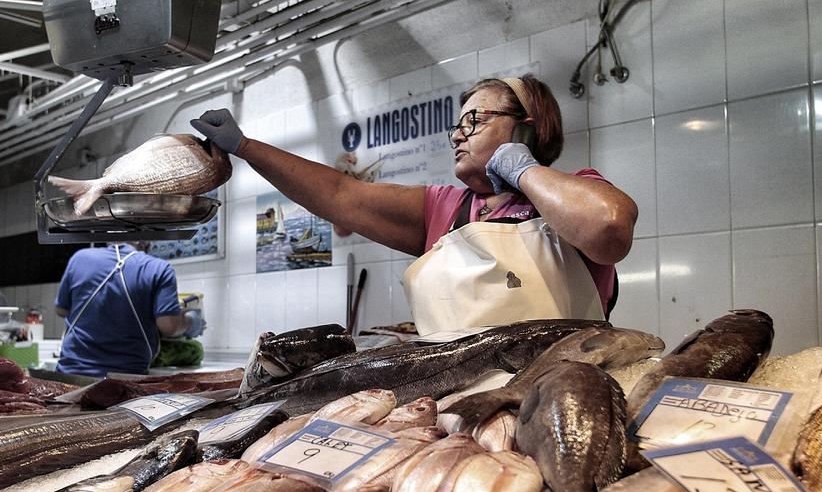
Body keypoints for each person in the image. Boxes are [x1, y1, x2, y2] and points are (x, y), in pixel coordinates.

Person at [192, 74, 637, 335]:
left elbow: (608, 228)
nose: (458, 135)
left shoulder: (577, 189)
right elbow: (339, 196)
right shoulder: (446, 208)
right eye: (456, 126)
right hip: (457, 411)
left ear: (526, 128)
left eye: (474, 121)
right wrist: (247, 147)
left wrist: (522, 169)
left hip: (557, 403)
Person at [54, 241, 205, 376]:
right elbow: (169, 326)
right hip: (124, 380)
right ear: (145, 241)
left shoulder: (80, 258)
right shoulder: (158, 268)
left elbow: (61, 310)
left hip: (69, 375)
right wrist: (190, 322)